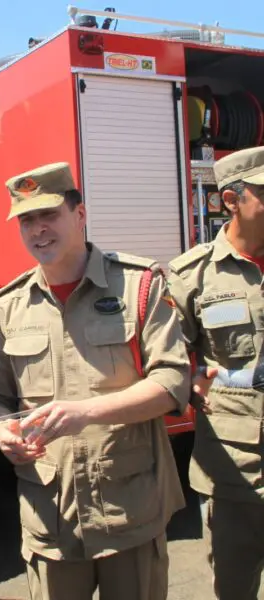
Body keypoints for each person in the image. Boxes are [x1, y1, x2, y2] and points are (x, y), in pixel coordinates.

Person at [0, 162, 191, 600]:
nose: (38, 229)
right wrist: (1, 430)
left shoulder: (139, 285)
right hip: (49, 515)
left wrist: (87, 412)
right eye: (26, 220)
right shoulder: (9, 307)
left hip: (128, 510)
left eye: (49, 215)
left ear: (79, 215)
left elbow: (173, 379)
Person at [167, 146, 264, 600]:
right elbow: (164, 357)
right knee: (235, 588)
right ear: (232, 200)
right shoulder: (193, 276)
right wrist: (191, 377)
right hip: (236, 470)